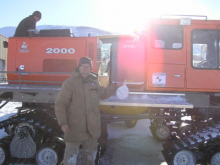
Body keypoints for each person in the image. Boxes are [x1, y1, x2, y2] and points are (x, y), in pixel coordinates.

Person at [55, 57, 123, 165]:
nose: (85, 69)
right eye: (83, 66)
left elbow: (104, 94)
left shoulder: (94, 82)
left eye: (88, 67)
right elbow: (60, 104)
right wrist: (63, 122)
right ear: (78, 67)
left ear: (91, 69)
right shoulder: (70, 83)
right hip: (74, 127)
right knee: (70, 159)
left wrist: (115, 86)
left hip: (92, 128)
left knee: (90, 159)